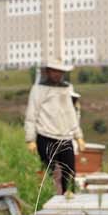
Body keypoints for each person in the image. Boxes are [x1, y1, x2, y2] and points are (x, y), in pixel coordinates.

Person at [24, 60, 84, 194]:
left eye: (60, 71)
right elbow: (31, 114)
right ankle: (48, 199)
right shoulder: (38, 89)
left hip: (65, 137)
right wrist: (30, 139)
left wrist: (78, 136)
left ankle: (69, 200)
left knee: (69, 174)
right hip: (45, 136)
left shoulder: (67, 88)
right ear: (47, 71)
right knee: (48, 174)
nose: (57, 74)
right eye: (54, 71)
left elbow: (70, 113)